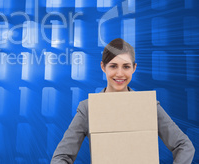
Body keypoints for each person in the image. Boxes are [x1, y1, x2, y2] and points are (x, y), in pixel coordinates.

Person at [51, 38, 195, 164]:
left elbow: (185, 146)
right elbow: (61, 157)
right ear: (103, 67)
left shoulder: (147, 106)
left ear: (134, 68)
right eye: (113, 66)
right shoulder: (88, 108)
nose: (120, 73)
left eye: (126, 66)